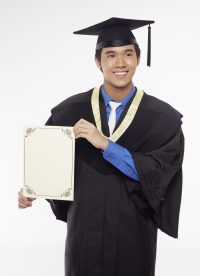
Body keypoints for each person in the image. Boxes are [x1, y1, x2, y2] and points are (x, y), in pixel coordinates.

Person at [18, 17, 184, 276]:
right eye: (110, 55)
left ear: (138, 58)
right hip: (83, 236)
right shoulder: (69, 111)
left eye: (128, 54)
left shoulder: (163, 119)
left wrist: (105, 144)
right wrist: (33, 187)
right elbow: (48, 158)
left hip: (134, 238)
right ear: (98, 61)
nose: (120, 63)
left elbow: (160, 173)